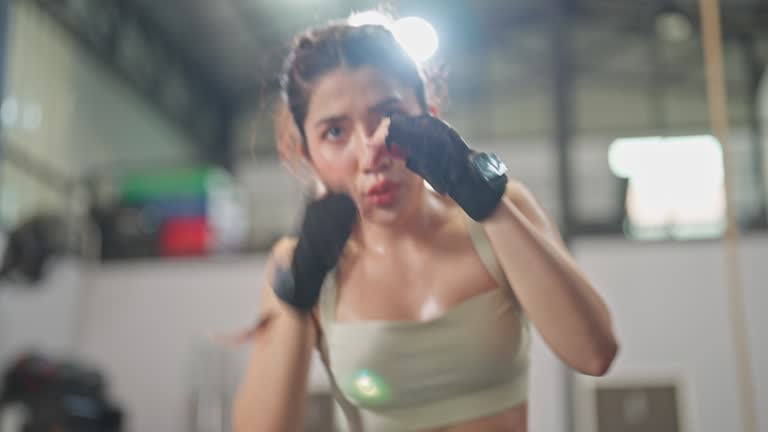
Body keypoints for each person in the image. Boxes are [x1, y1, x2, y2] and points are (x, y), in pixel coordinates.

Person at [233, 19, 619, 432]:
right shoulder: (297, 263)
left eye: (389, 116)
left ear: (430, 116)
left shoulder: (501, 214)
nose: (370, 153)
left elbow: (594, 354)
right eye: (334, 131)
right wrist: (299, 292)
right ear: (306, 153)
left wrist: (483, 197)